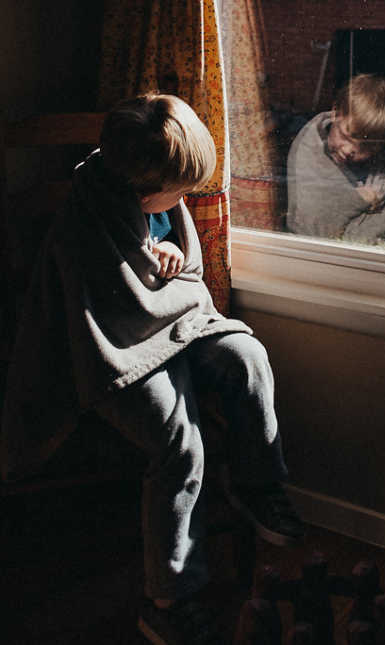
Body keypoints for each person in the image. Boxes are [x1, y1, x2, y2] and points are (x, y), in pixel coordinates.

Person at [0, 93, 302, 645]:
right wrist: (148, 266)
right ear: (140, 188)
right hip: (115, 348)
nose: (183, 200)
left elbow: (183, 267)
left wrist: (168, 260)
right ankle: (168, 596)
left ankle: (256, 483)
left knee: (247, 357)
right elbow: (109, 300)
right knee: (178, 442)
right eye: (177, 192)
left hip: (177, 324)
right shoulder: (87, 219)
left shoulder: (156, 197)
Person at [286, 74, 385, 245]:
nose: (348, 150)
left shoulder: (384, 151)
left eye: (366, 147)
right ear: (336, 111)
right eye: (345, 136)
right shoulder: (311, 149)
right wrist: (359, 199)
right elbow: (310, 229)